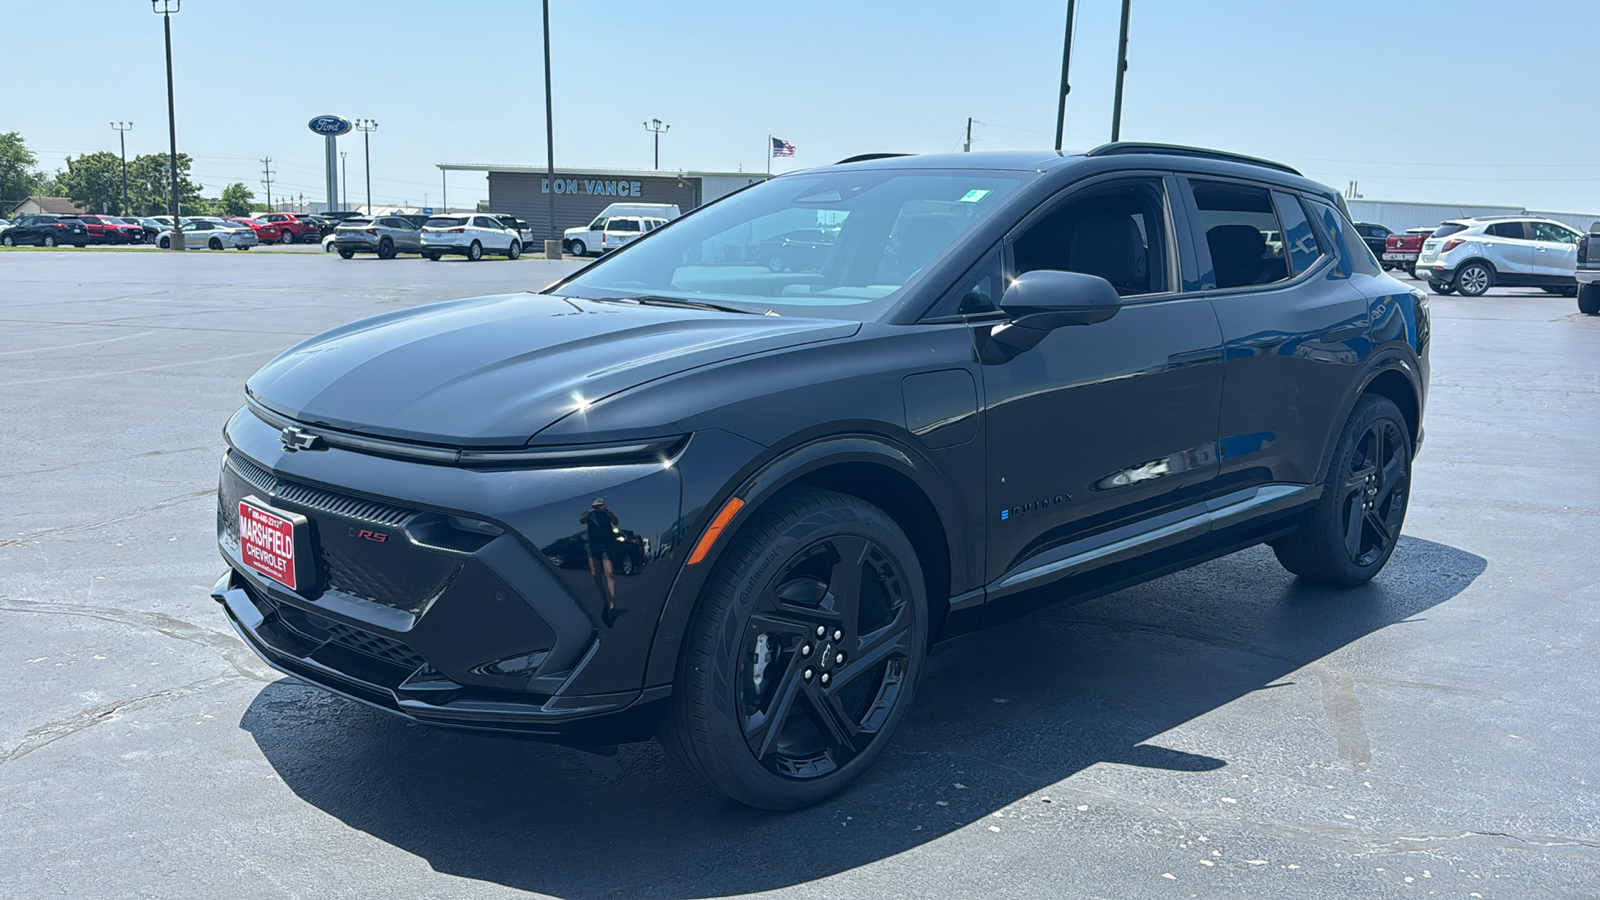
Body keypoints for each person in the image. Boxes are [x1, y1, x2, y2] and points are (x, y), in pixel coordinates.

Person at [580, 498, 623, 626]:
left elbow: (616, 521)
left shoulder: (607, 515)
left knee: (609, 573)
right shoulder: (590, 515)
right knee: (596, 573)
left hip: (606, 545)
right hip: (593, 545)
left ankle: (612, 603)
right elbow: (581, 521)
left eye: (600, 506)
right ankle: (604, 601)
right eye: (596, 506)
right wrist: (590, 512)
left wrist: (608, 511)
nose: (598, 508)